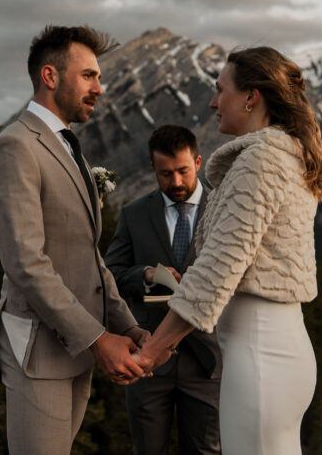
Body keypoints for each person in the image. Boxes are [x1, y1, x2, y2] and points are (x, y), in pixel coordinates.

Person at [133, 47, 322, 455]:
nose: (212, 101)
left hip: (259, 354)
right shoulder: (284, 155)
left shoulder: (260, 160)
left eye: (219, 89)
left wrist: (153, 350)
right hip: (277, 347)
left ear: (251, 96)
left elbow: (218, 268)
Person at [0, 25, 150, 455]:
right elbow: (26, 264)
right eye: (89, 76)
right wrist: (99, 340)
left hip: (75, 348)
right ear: (50, 76)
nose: (100, 87)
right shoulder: (15, 147)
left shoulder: (67, 146)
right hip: (40, 351)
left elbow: (88, 255)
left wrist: (125, 324)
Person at [105, 125, 222, 455]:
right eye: (166, 174)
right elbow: (108, 276)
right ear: (152, 170)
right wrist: (143, 275)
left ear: (198, 162)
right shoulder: (134, 214)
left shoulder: (225, 211)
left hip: (208, 360)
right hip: (148, 363)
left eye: (183, 171)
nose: (177, 183)